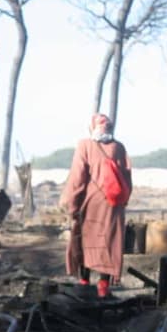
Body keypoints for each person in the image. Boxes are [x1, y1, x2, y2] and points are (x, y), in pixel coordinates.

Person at [60, 113, 132, 299]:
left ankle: (84, 282)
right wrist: (122, 202)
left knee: (86, 241)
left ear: (92, 127)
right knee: (109, 242)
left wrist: (71, 204)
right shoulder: (119, 147)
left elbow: (78, 177)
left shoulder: (85, 145)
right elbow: (127, 178)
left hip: (91, 201)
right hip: (113, 205)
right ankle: (103, 285)